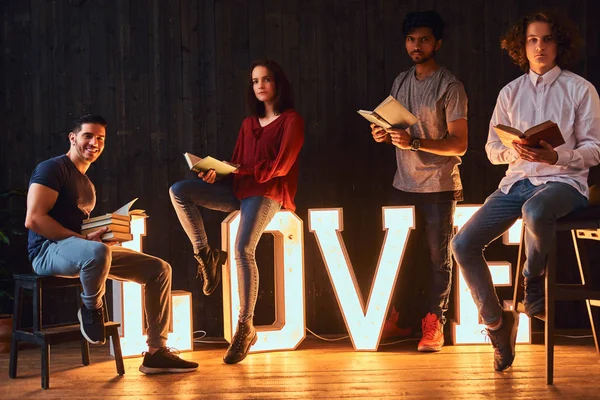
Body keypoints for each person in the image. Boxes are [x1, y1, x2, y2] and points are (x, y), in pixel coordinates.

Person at [451, 11, 600, 371]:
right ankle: (497, 326)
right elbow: (489, 149)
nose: (540, 46)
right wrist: (511, 150)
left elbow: (595, 149)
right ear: (523, 46)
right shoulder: (510, 92)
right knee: (462, 244)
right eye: (533, 40)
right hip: (516, 182)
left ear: (558, 44)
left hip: (564, 184)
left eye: (547, 39)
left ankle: (532, 280)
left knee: (536, 210)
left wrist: (557, 155)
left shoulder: (580, 89)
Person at [25, 114, 198, 375]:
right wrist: (86, 242)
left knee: (159, 270)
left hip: (81, 250)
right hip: (47, 251)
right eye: (87, 136)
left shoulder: (87, 185)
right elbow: (35, 219)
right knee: (96, 252)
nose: (94, 142)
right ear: (72, 138)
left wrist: (102, 234)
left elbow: (77, 230)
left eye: (100, 138)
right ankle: (92, 309)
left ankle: (155, 352)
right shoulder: (53, 169)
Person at [169, 59, 304, 364]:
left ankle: (246, 325)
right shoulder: (248, 124)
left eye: (266, 80)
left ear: (278, 84)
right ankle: (206, 255)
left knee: (243, 248)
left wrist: (240, 170)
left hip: (268, 192)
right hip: (240, 190)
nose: (260, 85)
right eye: (255, 81)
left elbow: (280, 167)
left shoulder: (291, 120)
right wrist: (216, 173)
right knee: (179, 191)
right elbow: (235, 165)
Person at [371, 10, 468, 352]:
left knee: (437, 259)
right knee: (400, 258)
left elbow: (460, 143)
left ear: (437, 43)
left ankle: (434, 322)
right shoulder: (401, 80)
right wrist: (383, 134)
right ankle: (400, 320)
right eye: (411, 39)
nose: (416, 45)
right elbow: (394, 126)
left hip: (439, 187)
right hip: (403, 183)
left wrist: (414, 142)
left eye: (424, 39)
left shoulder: (450, 85)